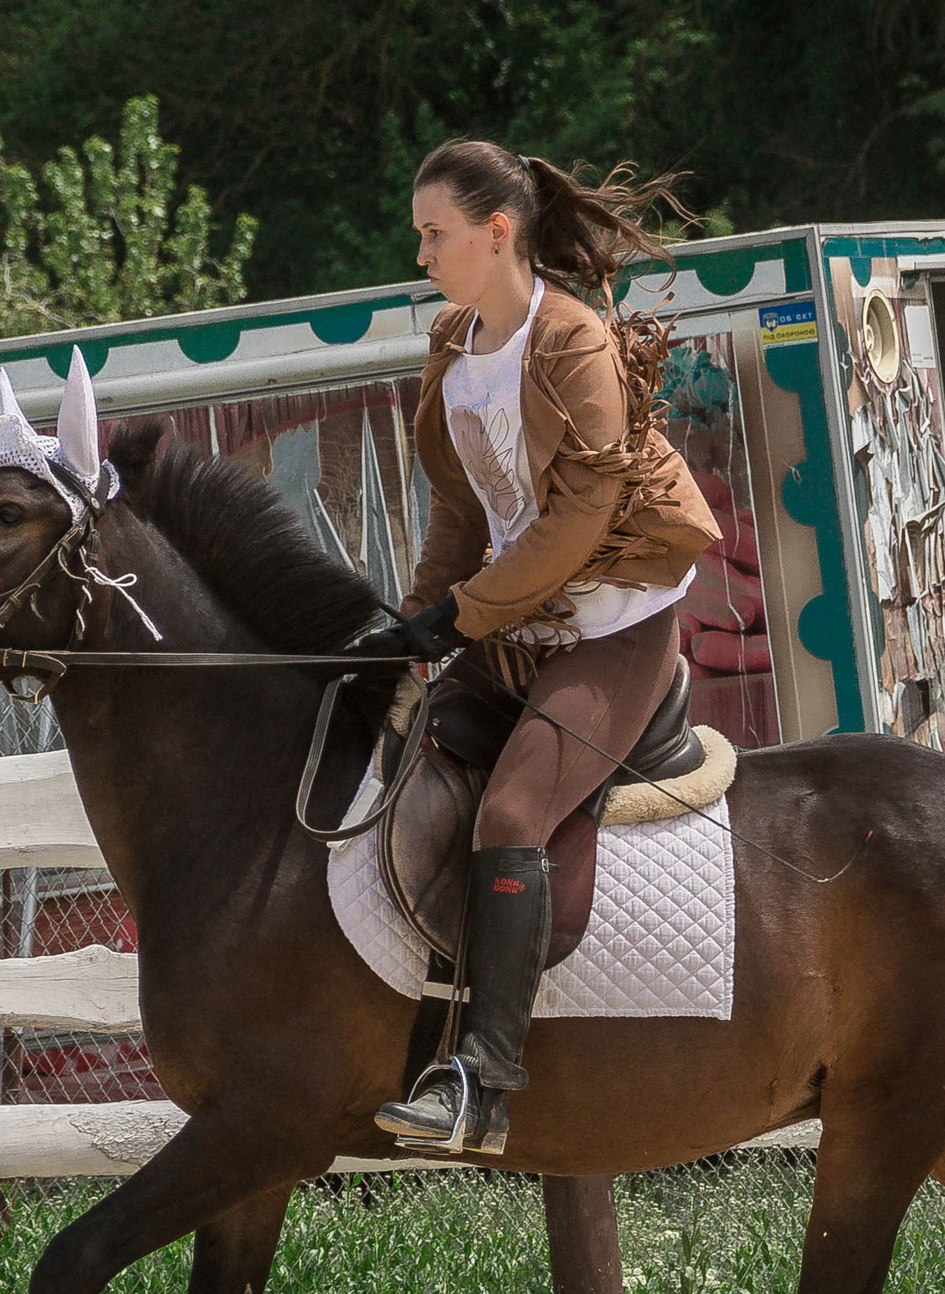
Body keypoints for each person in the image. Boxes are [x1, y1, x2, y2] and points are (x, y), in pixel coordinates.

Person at [343, 140, 720, 1156]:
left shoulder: (573, 342)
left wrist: (461, 617)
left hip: (611, 628)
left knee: (511, 810)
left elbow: (584, 516)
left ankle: (483, 1081)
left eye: (434, 234)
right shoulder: (456, 346)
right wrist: (413, 625)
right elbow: (463, 512)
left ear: (496, 232)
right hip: (511, 622)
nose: (420, 254)